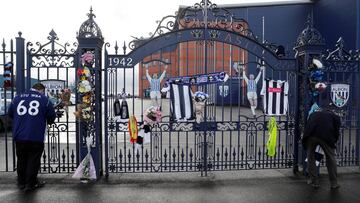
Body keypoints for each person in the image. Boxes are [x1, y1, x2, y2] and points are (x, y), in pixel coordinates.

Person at [8, 83, 56, 192]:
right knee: (33, 160)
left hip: (19, 135)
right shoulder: (45, 100)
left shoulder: (17, 98)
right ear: (41, 90)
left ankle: (21, 183)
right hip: (36, 135)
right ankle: (30, 184)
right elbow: (52, 117)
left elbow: (10, 113)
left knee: (21, 160)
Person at [302, 107, 341, 189]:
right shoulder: (335, 117)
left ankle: (313, 180)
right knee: (330, 158)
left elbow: (307, 125)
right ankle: (334, 183)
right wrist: (333, 142)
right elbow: (337, 132)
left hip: (310, 135)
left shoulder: (314, 114)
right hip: (326, 136)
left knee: (310, 157)